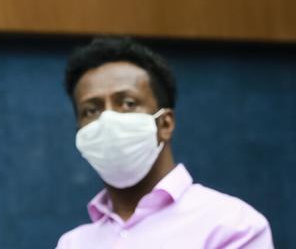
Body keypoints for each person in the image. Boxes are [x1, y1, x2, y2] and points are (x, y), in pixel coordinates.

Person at [57, 36, 273, 248]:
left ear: (165, 124)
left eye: (128, 103)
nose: (108, 120)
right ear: (80, 135)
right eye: (91, 110)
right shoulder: (73, 243)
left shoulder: (234, 226)